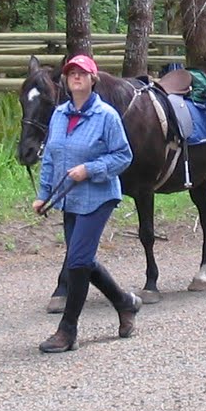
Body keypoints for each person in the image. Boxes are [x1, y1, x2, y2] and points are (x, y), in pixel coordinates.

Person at [32, 54, 143, 353]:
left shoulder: (106, 116)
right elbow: (51, 157)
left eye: (82, 73)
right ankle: (125, 303)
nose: (76, 77)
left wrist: (89, 170)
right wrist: (44, 194)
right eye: (71, 73)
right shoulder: (59, 115)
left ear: (93, 79)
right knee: (83, 261)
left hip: (99, 196)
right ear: (66, 82)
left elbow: (123, 156)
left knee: (77, 260)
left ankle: (67, 331)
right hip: (69, 198)